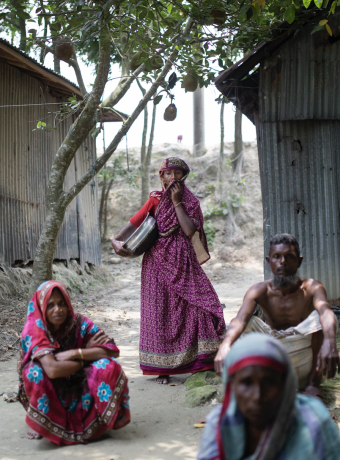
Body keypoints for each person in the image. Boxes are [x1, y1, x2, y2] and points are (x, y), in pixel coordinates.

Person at [112, 157, 225, 384]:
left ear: (184, 177)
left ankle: (200, 361)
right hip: (156, 261)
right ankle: (161, 368)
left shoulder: (190, 202)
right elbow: (135, 222)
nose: (172, 177)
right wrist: (116, 239)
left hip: (183, 260)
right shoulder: (154, 200)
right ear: (161, 176)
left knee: (200, 304)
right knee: (159, 311)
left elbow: (189, 229)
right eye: (167, 173)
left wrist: (176, 202)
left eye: (177, 173)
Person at [214, 233, 339, 396]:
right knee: (245, 323)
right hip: (271, 361)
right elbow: (239, 321)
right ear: (268, 261)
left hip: (305, 363)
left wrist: (330, 342)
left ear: (299, 261)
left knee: (323, 317)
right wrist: (225, 345)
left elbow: (326, 312)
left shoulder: (311, 287)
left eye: (289, 257)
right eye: (277, 257)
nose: (283, 262)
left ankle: (313, 385)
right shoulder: (259, 290)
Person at [18, 280, 130, 445]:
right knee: (34, 372)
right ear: (42, 307)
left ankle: (97, 418)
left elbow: (112, 350)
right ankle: (41, 420)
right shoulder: (34, 328)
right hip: (48, 388)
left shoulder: (78, 323)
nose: (58, 310)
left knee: (107, 365)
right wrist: (87, 358)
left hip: (77, 383)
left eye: (62, 304)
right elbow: (53, 370)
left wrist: (78, 352)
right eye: (51, 305)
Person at [198, 333, 340, 460]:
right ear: (231, 384)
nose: (257, 396)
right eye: (246, 383)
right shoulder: (219, 425)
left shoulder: (314, 422)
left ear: (285, 384)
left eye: (269, 382)